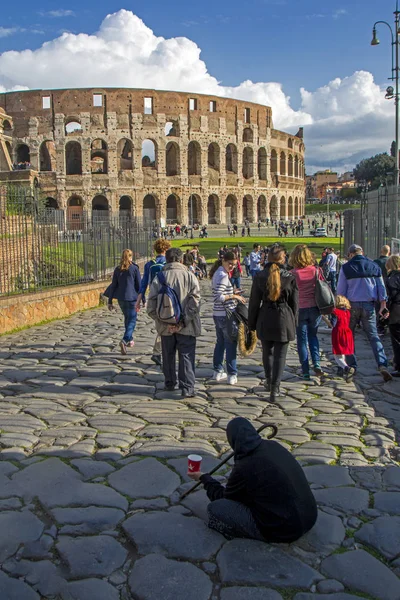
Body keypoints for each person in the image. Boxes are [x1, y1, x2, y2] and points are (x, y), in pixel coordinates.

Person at [188, 417, 317, 542]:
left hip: (283, 530)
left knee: (215, 508)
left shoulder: (245, 466)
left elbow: (224, 498)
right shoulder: (272, 445)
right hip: (309, 517)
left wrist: (204, 478)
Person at [147, 248, 201, 398]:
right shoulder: (190, 276)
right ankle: (187, 387)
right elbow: (195, 302)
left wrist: (163, 321)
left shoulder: (160, 277)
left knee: (168, 354)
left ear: (167, 259)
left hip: (166, 326)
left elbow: (151, 305)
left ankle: (170, 382)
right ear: (181, 259)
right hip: (187, 325)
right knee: (186, 355)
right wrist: (183, 322)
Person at [248, 244, 298, 401]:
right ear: (282, 258)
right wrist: (294, 322)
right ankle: (275, 389)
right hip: (283, 317)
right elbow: (294, 303)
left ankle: (269, 381)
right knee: (280, 356)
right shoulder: (289, 277)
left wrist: (252, 324)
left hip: (265, 316)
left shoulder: (260, 276)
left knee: (267, 352)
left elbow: (254, 303)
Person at [337, 244, 392, 382]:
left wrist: (340, 308)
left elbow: (341, 290)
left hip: (351, 305)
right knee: (373, 336)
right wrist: (383, 305)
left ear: (350, 254)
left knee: (349, 336)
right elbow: (381, 287)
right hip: (369, 305)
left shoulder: (346, 268)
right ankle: (382, 364)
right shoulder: (373, 266)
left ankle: (352, 364)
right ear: (362, 252)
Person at [210, 251, 246, 385]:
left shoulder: (218, 273)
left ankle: (218, 370)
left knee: (220, 343)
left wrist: (232, 291)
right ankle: (232, 373)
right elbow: (218, 297)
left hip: (218, 314)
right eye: (230, 264)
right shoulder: (223, 276)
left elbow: (220, 292)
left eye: (234, 265)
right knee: (231, 343)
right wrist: (234, 296)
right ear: (223, 261)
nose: (232, 267)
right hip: (226, 315)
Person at [289, 244, 324, 380]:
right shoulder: (316, 270)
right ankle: (316, 363)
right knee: (313, 336)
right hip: (315, 307)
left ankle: (305, 370)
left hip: (299, 309)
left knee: (301, 340)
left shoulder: (293, 273)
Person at [136, 238, 171, 366]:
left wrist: (139, 300)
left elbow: (143, 283)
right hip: (167, 297)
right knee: (166, 324)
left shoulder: (149, 264)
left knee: (162, 324)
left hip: (154, 297)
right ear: (166, 249)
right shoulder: (169, 262)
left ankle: (159, 352)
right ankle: (158, 352)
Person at [107, 249, 141, 355]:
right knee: (132, 320)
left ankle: (130, 340)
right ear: (131, 257)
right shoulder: (134, 268)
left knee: (127, 318)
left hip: (121, 298)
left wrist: (110, 301)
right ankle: (125, 340)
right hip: (132, 298)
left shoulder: (118, 269)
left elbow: (113, 286)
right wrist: (142, 299)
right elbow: (139, 285)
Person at [331, 295, 356, 382]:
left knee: (337, 355)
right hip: (347, 333)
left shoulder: (335, 312)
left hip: (338, 334)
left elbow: (333, 324)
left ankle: (347, 368)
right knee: (343, 353)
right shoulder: (347, 312)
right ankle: (342, 370)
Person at [384, 255, 400, 375]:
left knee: (396, 341)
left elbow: (390, 296)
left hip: (396, 312)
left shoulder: (393, 278)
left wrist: (385, 309)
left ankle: (398, 365)